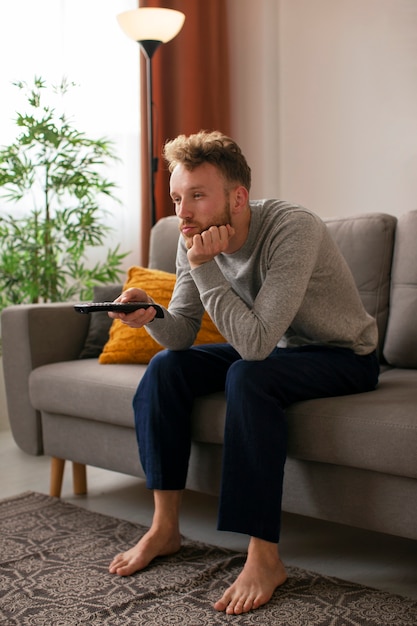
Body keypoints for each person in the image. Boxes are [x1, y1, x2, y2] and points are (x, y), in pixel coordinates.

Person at [108, 130, 379, 615]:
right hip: (279, 352)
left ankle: (264, 556)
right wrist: (153, 315)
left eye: (197, 196)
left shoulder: (293, 228)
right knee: (167, 368)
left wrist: (204, 266)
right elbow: (183, 335)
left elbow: (254, 347)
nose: (183, 212)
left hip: (343, 355)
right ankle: (165, 526)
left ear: (238, 197)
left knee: (247, 377)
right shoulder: (191, 236)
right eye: (176, 198)